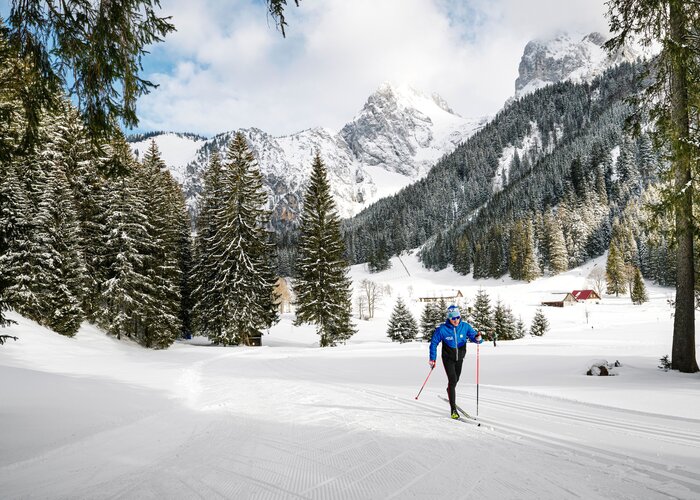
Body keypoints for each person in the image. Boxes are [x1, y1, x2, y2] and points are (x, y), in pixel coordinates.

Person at [429, 305, 482, 419]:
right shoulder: (442, 329)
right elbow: (433, 343)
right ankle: (453, 410)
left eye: (457, 317)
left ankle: (449, 390)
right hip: (448, 358)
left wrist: (478, 339)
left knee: (456, 380)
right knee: (452, 380)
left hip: (460, 358)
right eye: (453, 318)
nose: (456, 320)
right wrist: (432, 359)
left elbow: (475, 337)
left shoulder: (465, 326)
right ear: (449, 318)